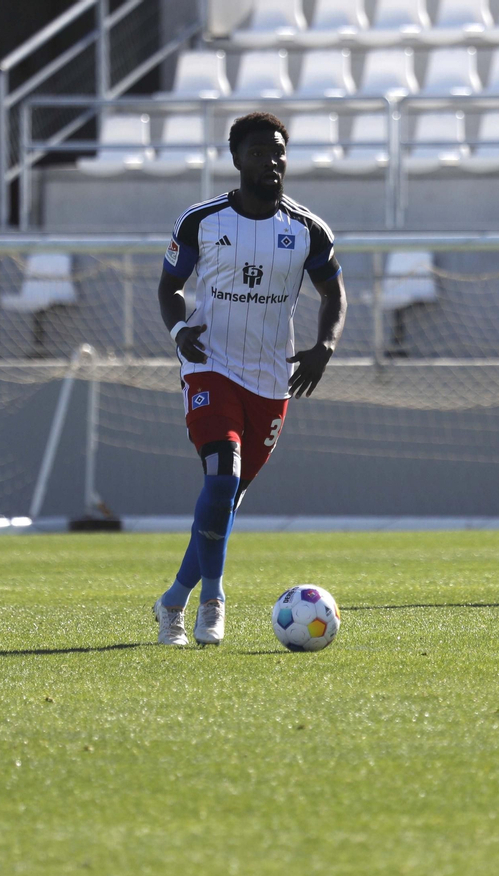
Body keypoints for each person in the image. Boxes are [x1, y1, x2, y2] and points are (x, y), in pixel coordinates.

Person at [152, 111, 348, 646]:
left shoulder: (307, 230)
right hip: (210, 365)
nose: (271, 161)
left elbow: (333, 293)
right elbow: (169, 286)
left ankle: (173, 599)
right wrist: (179, 332)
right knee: (221, 477)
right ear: (237, 159)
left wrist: (325, 346)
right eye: (259, 152)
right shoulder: (201, 221)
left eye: (278, 152)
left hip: (271, 379)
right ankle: (212, 601)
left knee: (227, 498)